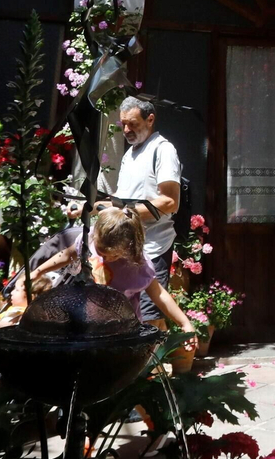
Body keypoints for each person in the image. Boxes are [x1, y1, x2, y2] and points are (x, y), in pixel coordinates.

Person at [34, 206, 196, 338]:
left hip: (122, 330)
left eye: (112, 256)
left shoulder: (138, 264)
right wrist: (39, 270)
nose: (103, 257)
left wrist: (184, 323)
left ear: (128, 248)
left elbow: (159, 295)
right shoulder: (90, 238)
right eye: (99, 251)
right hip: (86, 321)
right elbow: (69, 254)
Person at [101, 96, 181, 325]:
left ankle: (158, 361)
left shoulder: (163, 150)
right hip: (127, 249)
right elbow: (123, 199)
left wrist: (121, 212)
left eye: (133, 123)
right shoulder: (130, 153)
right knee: (131, 319)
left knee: (149, 319)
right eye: (123, 124)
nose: (126, 129)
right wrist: (94, 207)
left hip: (153, 247)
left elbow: (169, 203)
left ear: (150, 120)